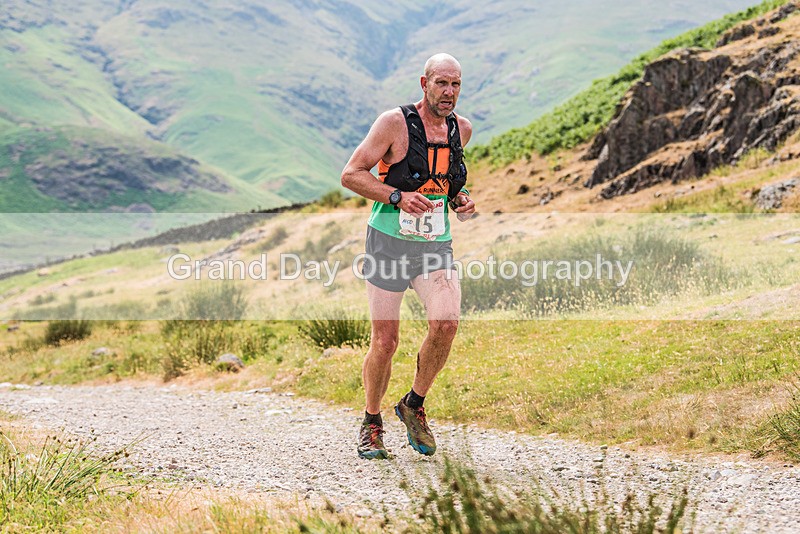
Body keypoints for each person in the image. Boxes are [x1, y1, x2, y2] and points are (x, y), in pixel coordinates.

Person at [341, 53, 476, 459]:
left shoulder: (461, 130)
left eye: (455, 84)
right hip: (388, 241)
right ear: (424, 83)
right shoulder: (393, 123)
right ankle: (371, 422)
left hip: (435, 244)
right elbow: (351, 174)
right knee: (385, 341)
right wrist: (397, 197)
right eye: (441, 83)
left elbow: (448, 184)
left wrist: (462, 201)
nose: (449, 92)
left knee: (447, 322)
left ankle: (413, 405)